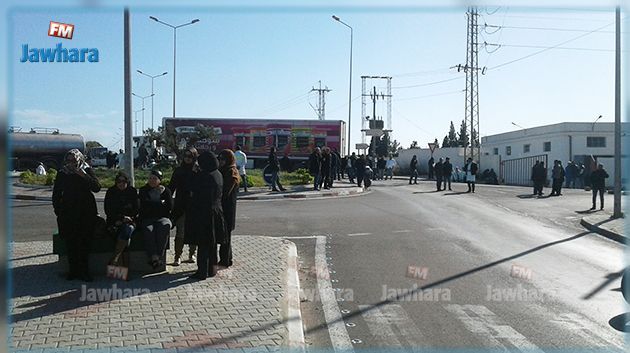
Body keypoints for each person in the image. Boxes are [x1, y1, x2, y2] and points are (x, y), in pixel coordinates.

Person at [52, 149, 101, 281]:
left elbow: (96, 187)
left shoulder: (86, 169)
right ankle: (73, 271)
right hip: (68, 212)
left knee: (85, 243)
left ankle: (85, 272)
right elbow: (56, 193)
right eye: (68, 160)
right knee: (71, 243)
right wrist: (58, 210)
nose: (71, 163)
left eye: (73, 160)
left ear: (79, 159)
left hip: (86, 212)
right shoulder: (63, 173)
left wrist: (83, 175)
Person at [185, 151, 225, 280]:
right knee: (212, 244)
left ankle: (202, 271)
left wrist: (194, 172)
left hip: (204, 214)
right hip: (216, 211)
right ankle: (212, 269)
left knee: (203, 244)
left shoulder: (205, 176)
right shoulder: (218, 174)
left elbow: (191, 187)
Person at [169, 147, 198, 266]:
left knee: (193, 231)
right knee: (180, 232)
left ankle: (192, 254)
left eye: (190, 156)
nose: (187, 159)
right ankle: (178, 256)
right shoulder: (179, 170)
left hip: (194, 205)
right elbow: (171, 187)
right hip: (181, 205)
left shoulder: (198, 171)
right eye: (185, 156)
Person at [138, 170, 172, 271]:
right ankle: (153, 256)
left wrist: (153, 203)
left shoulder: (166, 191)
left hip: (162, 217)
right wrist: (159, 202)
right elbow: (144, 206)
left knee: (164, 227)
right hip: (147, 218)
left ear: (159, 180)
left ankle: (158, 256)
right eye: (150, 178)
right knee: (149, 230)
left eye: (155, 179)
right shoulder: (144, 190)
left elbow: (169, 207)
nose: (152, 180)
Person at [104, 171, 139, 266]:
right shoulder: (111, 192)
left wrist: (128, 218)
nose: (121, 183)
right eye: (119, 181)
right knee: (125, 240)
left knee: (127, 230)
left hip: (130, 221)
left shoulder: (132, 191)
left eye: (124, 181)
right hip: (114, 221)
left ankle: (115, 258)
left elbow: (136, 209)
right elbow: (108, 210)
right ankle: (122, 271)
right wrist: (121, 218)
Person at [218, 149, 240, 267]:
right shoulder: (223, 171)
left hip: (228, 209)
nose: (220, 162)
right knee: (225, 236)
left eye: (223, 159)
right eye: (219, 159)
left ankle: (225, 260)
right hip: (224, 208)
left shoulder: (231, 172)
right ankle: (227, 259)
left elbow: (226, 192)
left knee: (226, 236)